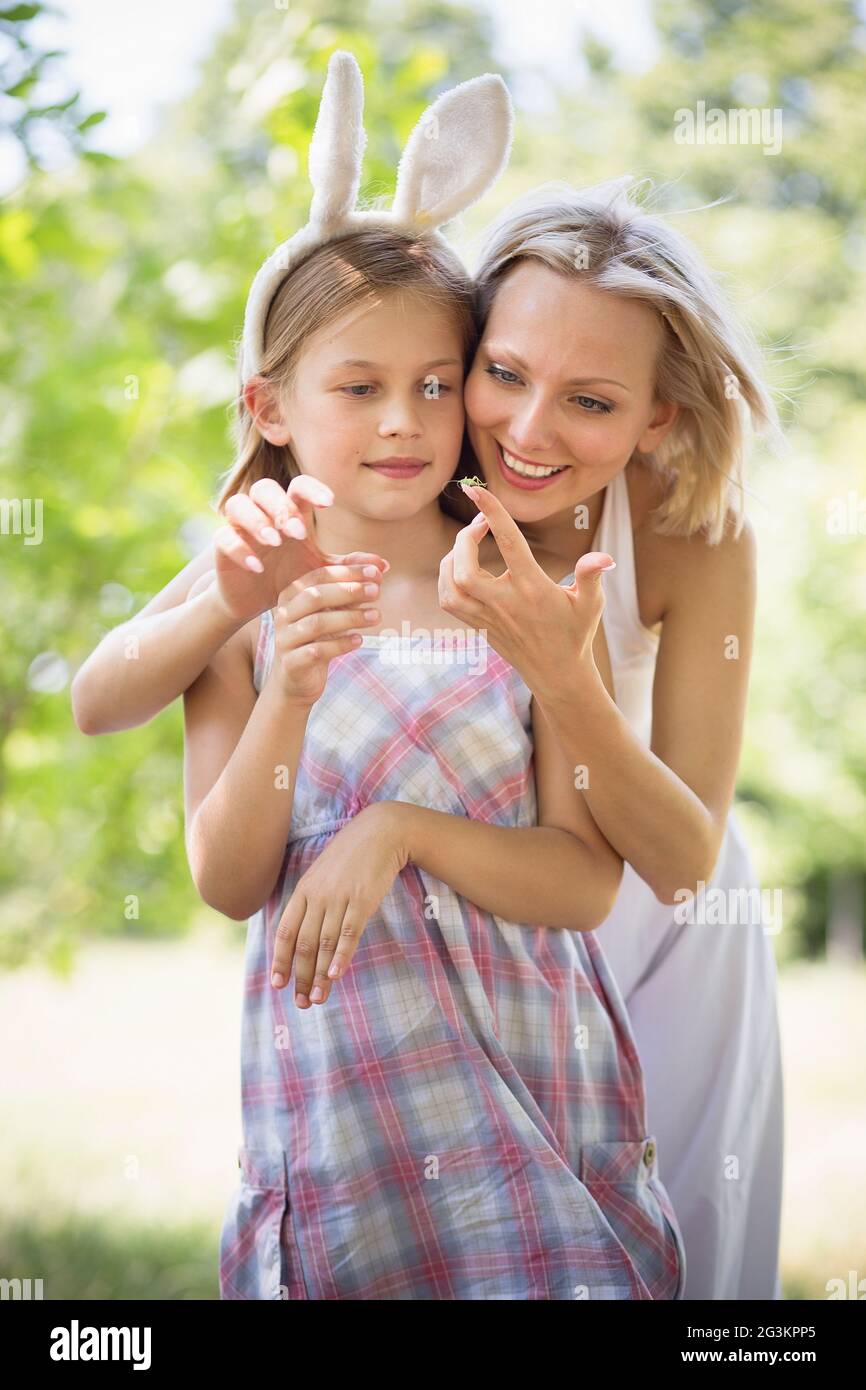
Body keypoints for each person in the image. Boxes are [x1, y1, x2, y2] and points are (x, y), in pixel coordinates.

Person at [74, 54, 685, 1300]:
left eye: (436, 385)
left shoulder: (515, 573)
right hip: (347, 1101)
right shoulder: (251, 575)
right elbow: (218, 863)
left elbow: (578, 881)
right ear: (273, 404)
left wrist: (397, 833)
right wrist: (268, 662)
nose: (405, 422)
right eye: (358, 389)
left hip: (528, 1085)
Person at [436, 178, 785, 1299]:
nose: (526, 432)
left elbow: (683, 860)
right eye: (504, 373)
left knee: (685, 1257)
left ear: (655, 418)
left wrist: (561, 670)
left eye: (588, 402)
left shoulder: (692, 532)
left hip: (667, 930)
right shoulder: (404, 473)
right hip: (481, 905)